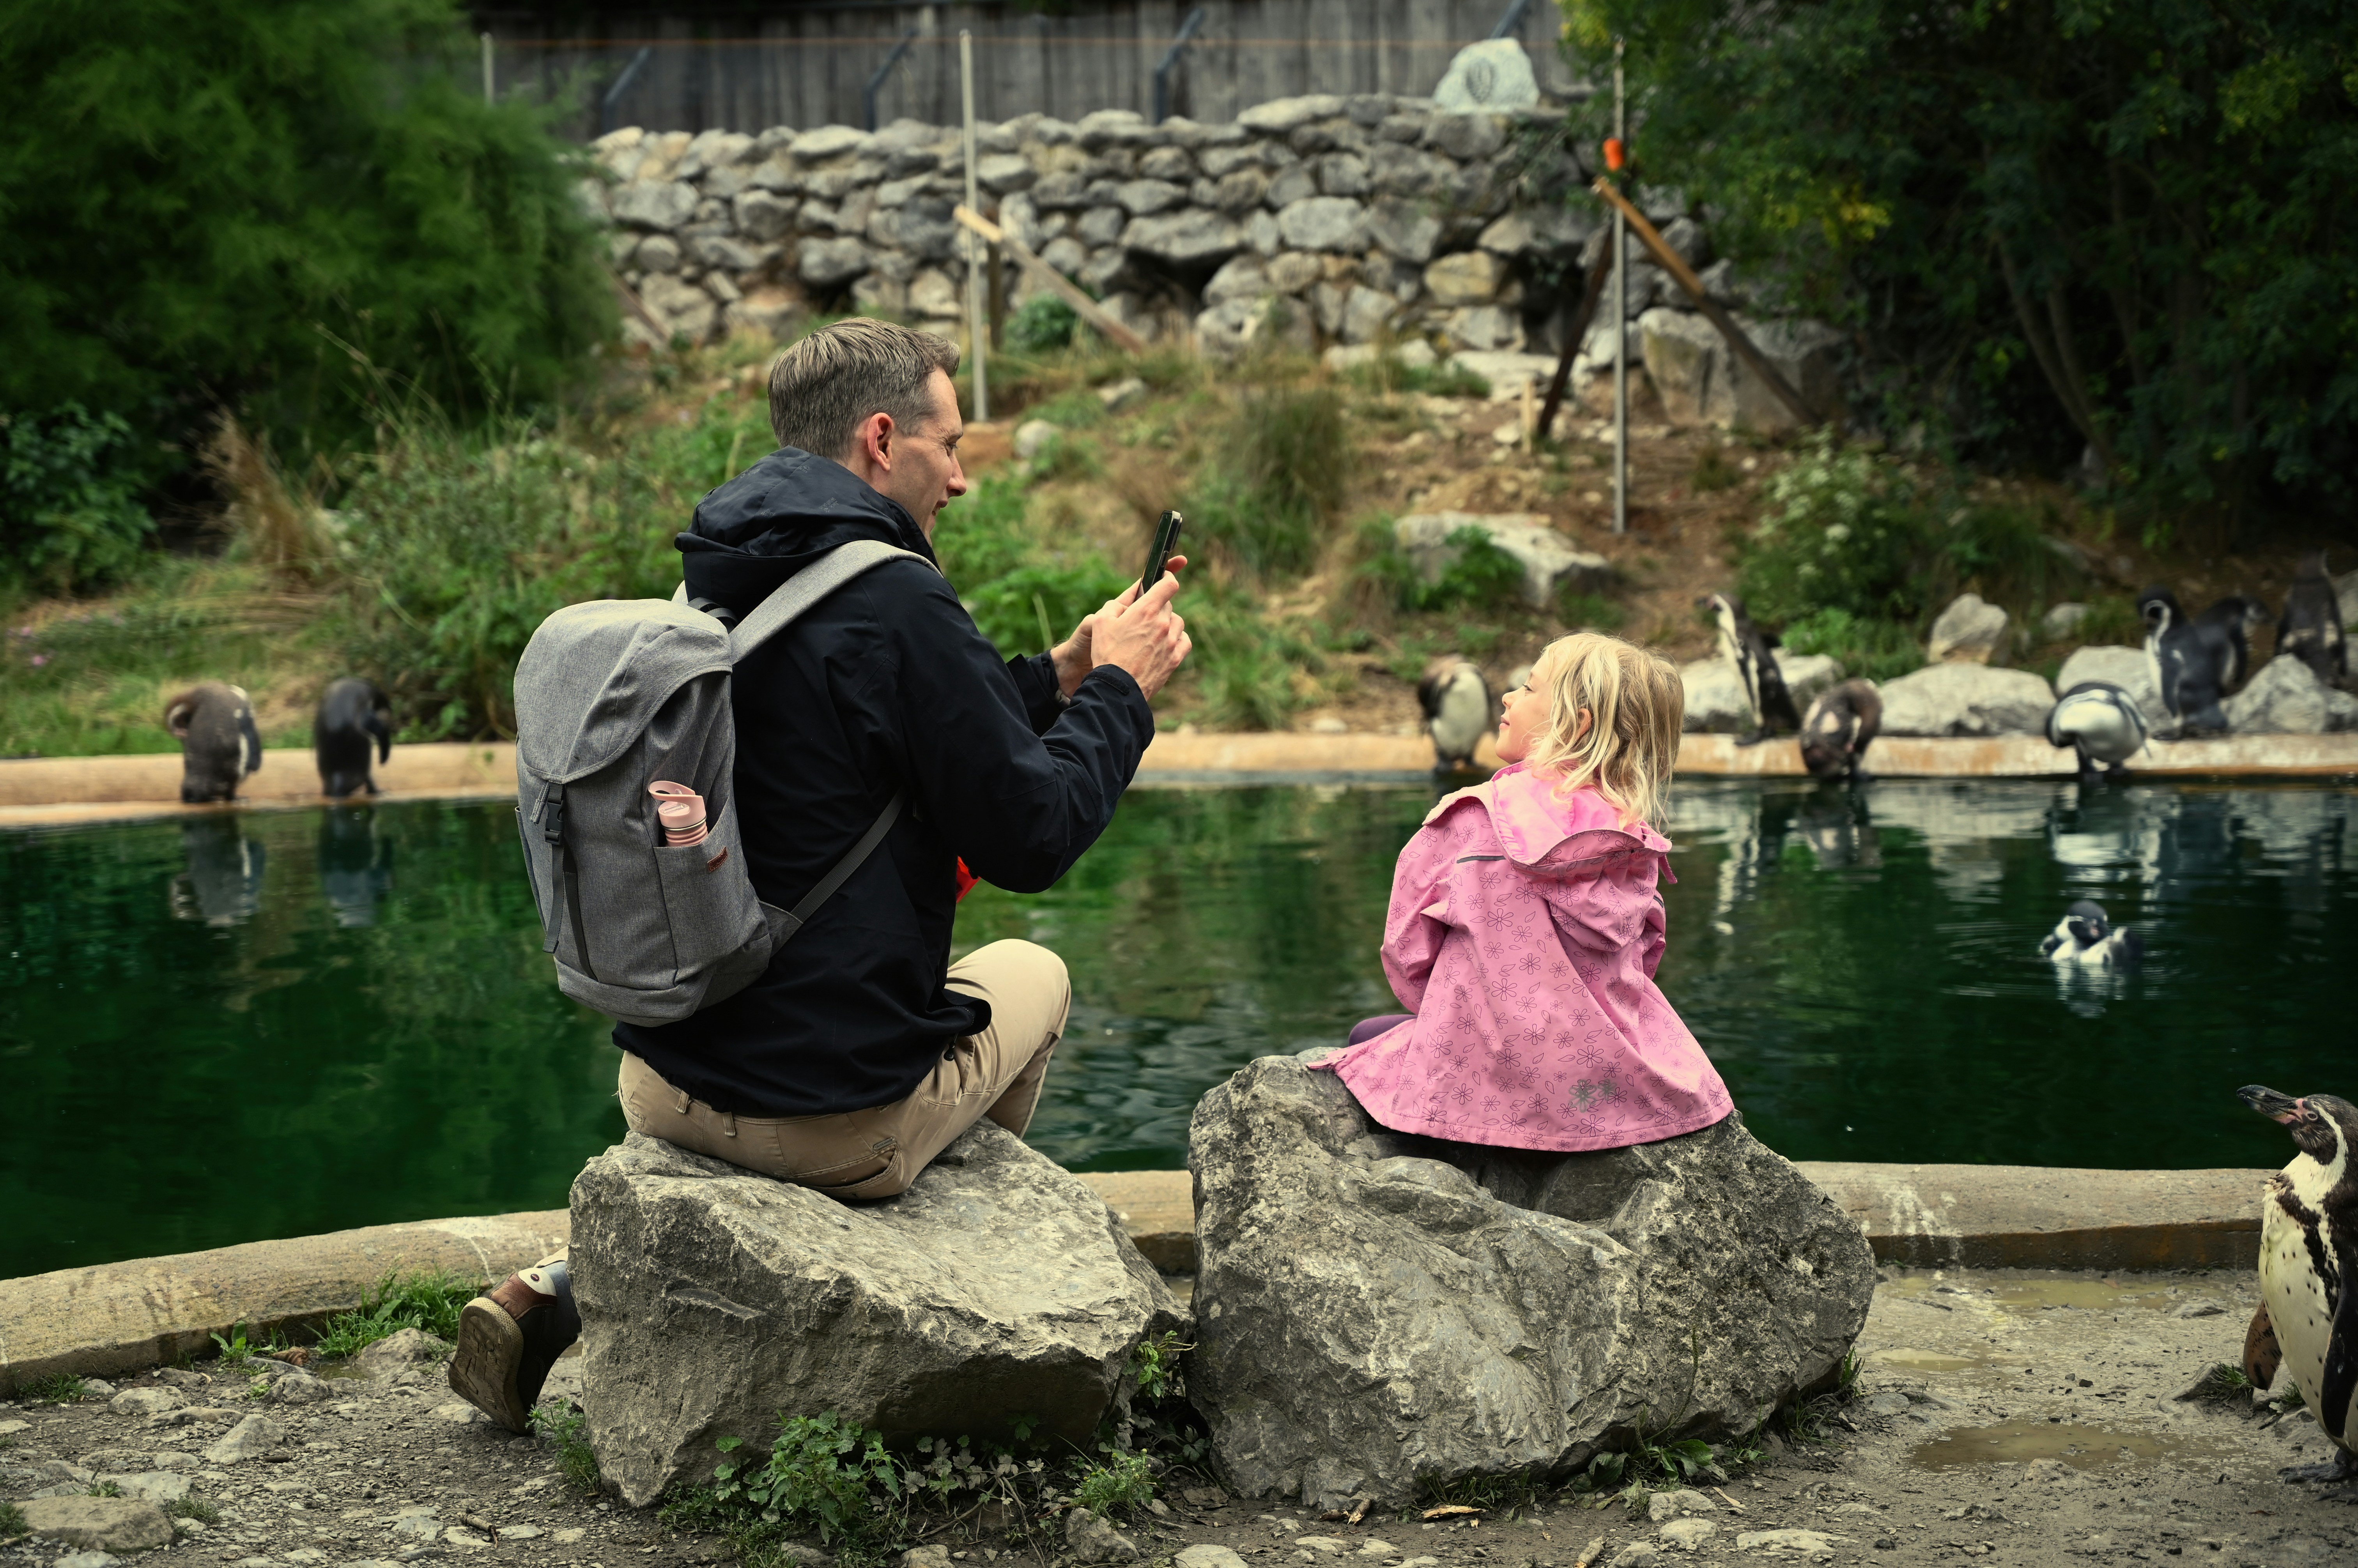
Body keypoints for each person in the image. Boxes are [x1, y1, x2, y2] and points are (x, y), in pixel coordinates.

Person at [447, 320, 1191, 1431]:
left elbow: (893, 732)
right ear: (883, 439)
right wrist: (1124, 698)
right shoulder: (900, 598)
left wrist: (1067, 673)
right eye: (951, 444)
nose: (966, 477)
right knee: (1033, 973)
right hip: (831, 1119)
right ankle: (939, 1297)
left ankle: (571, 1281)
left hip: (663, 1082)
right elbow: (1031, 836)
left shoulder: (723, 571)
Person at [1315, 632, 1733, 1151]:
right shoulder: (1633, 842)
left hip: (1482, 1089)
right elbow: (1643, 961)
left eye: (1528, 688)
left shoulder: (1469, 820)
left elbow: (1406, 956)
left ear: (1574, 723)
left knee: (1363, 1038)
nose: (1508, 697)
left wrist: (1465, 1007)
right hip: (1598, 1089)